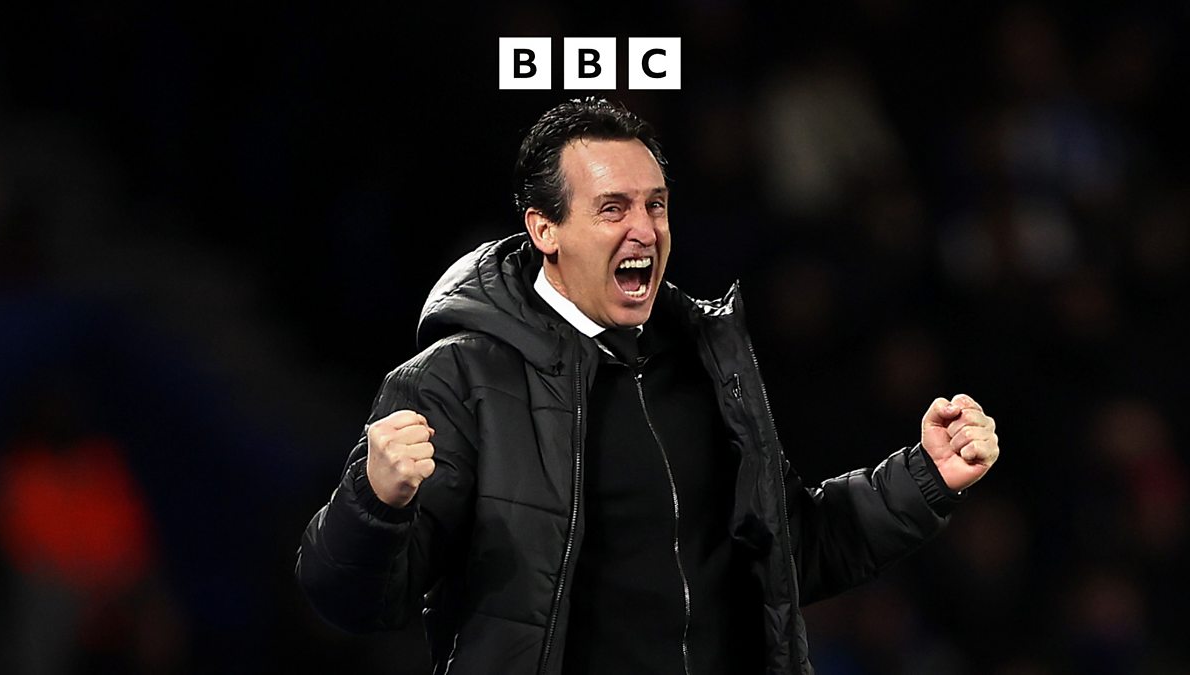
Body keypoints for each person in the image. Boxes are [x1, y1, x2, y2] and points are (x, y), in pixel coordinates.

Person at [296, 97, 1000, 675]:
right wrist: (374, 502)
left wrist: (923, 477)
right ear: (544, 229)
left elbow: (790, 553)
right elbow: (353, 601)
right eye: (613, 208)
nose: (644, 229)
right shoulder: (458, 381)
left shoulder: (709, 361)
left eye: (656, 205)